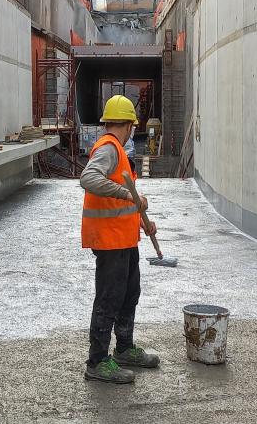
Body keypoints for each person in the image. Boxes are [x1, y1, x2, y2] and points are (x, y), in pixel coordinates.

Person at [79, 95, 160, 383]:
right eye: (132, 126)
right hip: (110, 241)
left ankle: (124, 349)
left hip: (126, 238)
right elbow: (88, 178)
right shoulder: (109, 149)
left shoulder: (120, 152)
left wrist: (142, 222)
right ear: (129, 125)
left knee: (129, 294)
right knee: (109, 299)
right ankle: (97, 361)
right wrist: (128, 194)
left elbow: (124, 204)